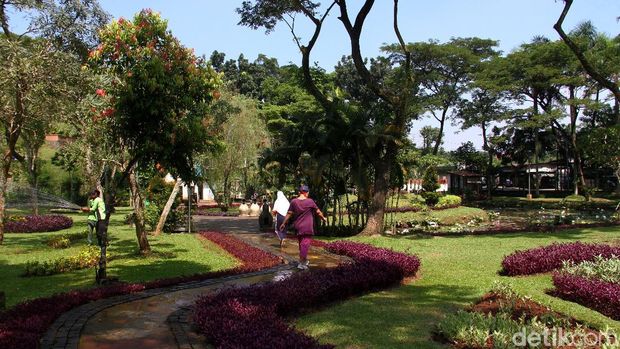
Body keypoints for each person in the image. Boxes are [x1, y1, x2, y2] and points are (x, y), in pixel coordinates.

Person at [280, 185, 327, 270]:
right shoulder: (310, 201)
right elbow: (318, 212)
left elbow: (289, 213)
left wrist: (283, 223)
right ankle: (301, 263)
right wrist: (323, 218)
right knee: (305, 244)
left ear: (299, 192)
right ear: (306, 192)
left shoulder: (294, 201)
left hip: (298, 226)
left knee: (302, 244)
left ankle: (304, 260)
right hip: (307, 227)